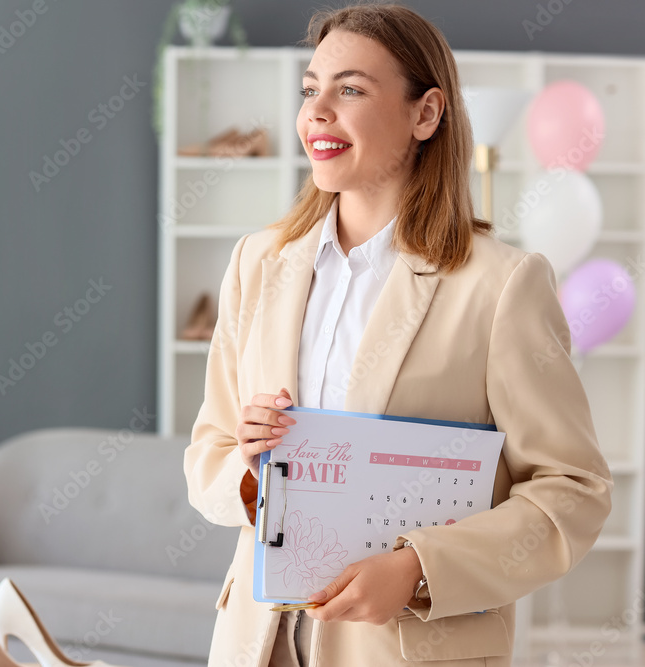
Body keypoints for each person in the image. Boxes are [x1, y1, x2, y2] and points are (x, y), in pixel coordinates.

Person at [182, 3, 614, 666]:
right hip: (257, 642)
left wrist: (419, 568)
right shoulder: (258, 263)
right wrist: (249, 472)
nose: (316, 112)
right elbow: (207, 450)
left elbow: (572, 489)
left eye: (349, 89)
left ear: (426, 114)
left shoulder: (500, 285)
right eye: (309, 90)